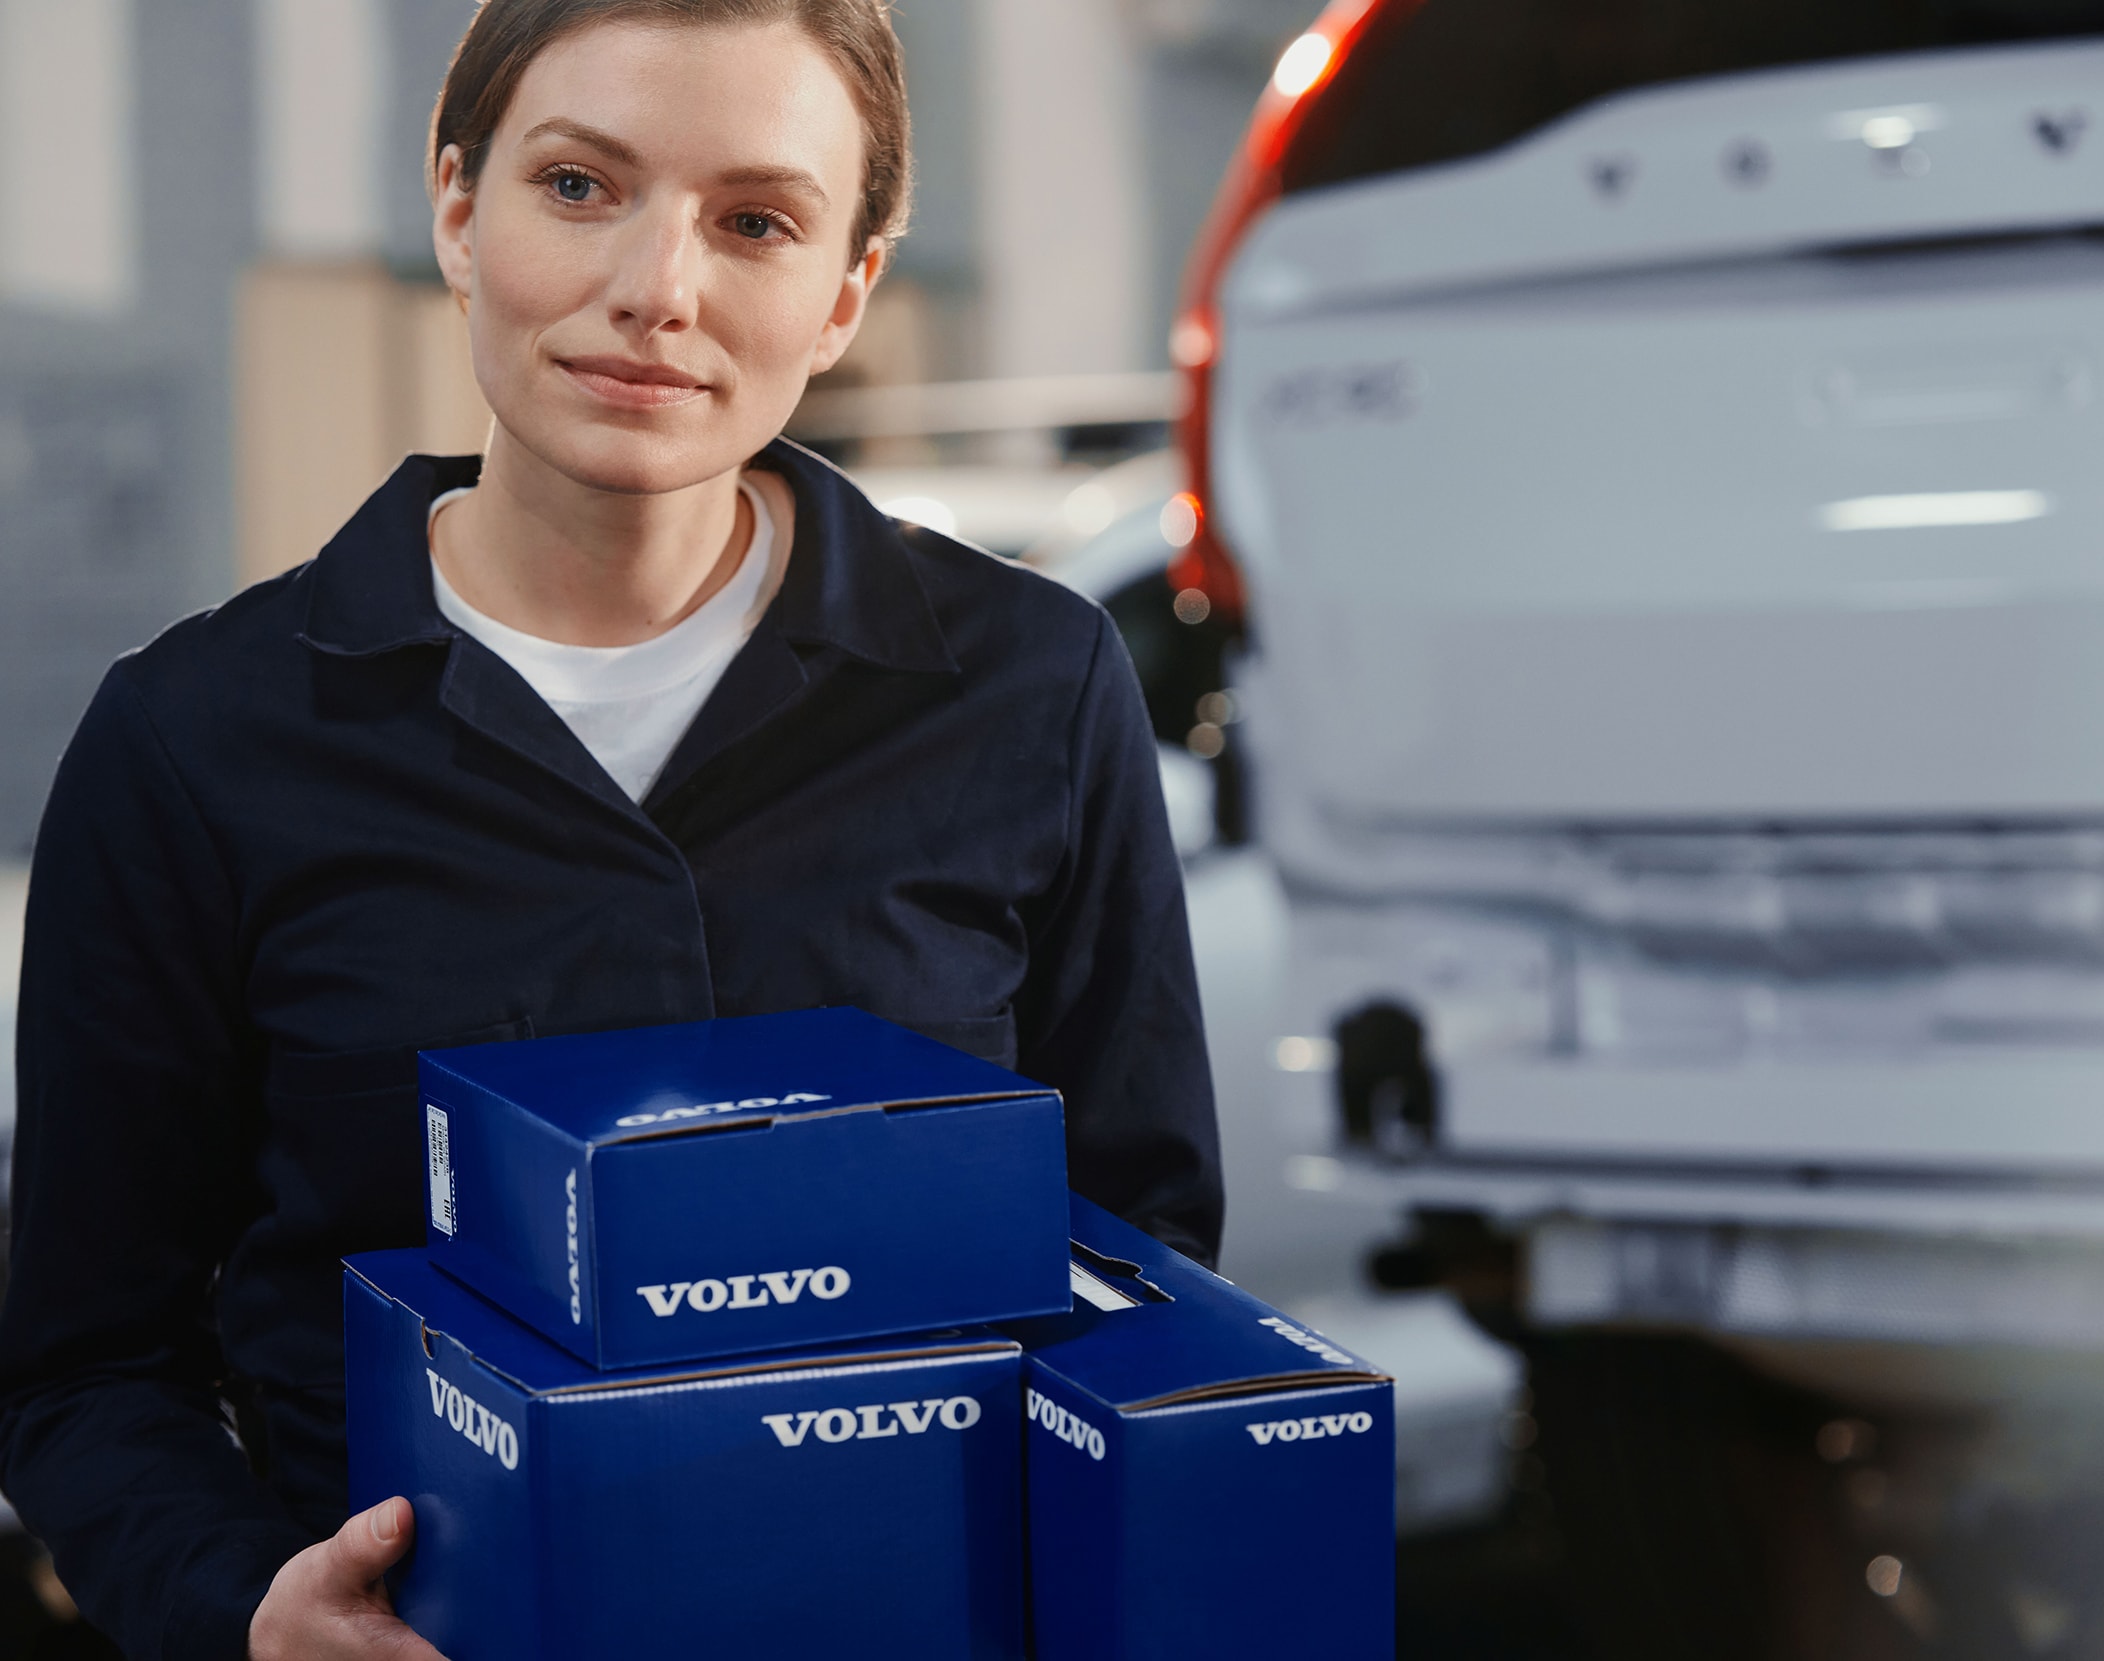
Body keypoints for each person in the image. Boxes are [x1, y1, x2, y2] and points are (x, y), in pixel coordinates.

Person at [0, 2, 1221, 1656]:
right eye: (579, 186)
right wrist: (247, 1613)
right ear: (456, 206)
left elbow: (1137, 1259)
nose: (659, 288)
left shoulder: (1029, 688)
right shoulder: (196, 745)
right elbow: (81, 1366)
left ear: (848, 288)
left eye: (757, 222)